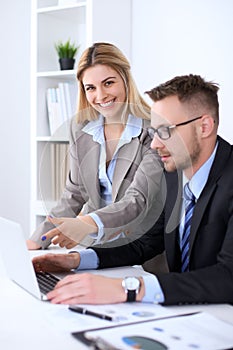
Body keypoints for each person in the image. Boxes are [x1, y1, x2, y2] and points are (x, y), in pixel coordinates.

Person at [32, 74, 233, 306]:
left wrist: (127, 288)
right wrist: (77, 260)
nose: (156, 144)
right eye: (154, 132)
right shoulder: (175, 175)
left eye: (166, 131)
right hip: (191, 313)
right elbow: (145, 243)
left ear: (204, 126)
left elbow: (228, 277)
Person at [27, 42, 163, 250]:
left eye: (108, 83)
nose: (100, 96)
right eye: (91, 88)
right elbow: (75, 191)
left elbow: (138, 200)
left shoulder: (155, 129)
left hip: (139, 251)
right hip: (94, 246)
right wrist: (36, 241)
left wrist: (85, 224)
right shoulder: (81, 128)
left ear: (125, 79)